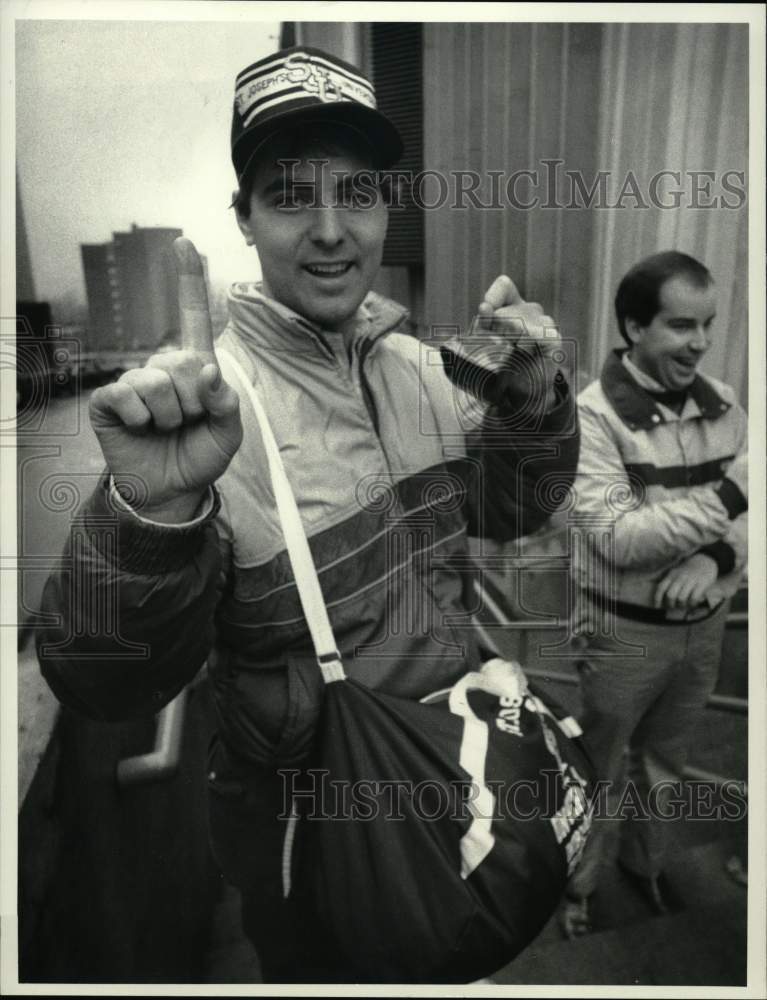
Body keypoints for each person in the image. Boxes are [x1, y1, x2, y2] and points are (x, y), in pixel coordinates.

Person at [37, 46, 580, 982]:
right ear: (243, 218)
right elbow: (100, 682)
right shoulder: (206, 412)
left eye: (357, 194)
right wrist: (149, 513)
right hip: (315, 835)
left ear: (385, 208)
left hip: (456, 775)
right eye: (290, 195)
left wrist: (534, 403)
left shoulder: (419, 366)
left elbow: (508, 510)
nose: (331, 230)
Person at [560, 250, 748, 938]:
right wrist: (727, 498)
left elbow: (753, 515)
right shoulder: (591, 417)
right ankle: (577, 889)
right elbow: (619, 538)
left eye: (706, 324)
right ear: (634, 327)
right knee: (600, 769)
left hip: (703, 624)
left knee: (664, 763)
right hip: (622, 634)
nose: (698, 342)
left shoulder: (724, 404)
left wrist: (717, 555)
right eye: (679, 325)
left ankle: (645, 870)